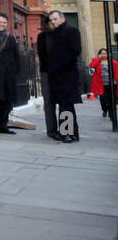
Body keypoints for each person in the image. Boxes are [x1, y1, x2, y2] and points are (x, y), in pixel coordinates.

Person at [37, 10, 82, 143]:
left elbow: (75, 51)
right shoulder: (55, 33)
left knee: (65, 105)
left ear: (62, 18)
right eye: (51, 20)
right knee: (66, 105)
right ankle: (72, 133)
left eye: (55, 19)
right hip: (58, 75)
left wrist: (60, 65)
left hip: (66, 75)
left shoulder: (70, 31)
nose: (53, 22)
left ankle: (66, 133)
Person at [89, 48, 115, 117]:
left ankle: (111, 113)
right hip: (101, 84)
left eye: (105, 53)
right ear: (99, 54)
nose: (104, 55)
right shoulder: (96, 61)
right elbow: (92, 65)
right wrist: (98, 58)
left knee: (111, 98)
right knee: (102, 98)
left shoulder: (112, 61)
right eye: (102, 53)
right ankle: (104, 109)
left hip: (111, 84)